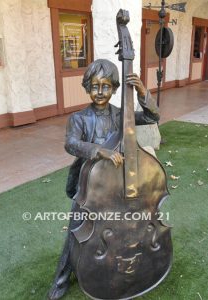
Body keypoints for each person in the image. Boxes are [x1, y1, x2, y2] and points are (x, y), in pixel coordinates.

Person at [48, 59, 159, 299]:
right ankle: (61, 279)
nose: (100, 92)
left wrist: (142, 91)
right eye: (95, 86)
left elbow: (152, 117)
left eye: (106, 86)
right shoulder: (79, 118)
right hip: (89, 186)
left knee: (120, 227)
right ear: (87, 87)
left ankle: (114, 267)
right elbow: (72, 143)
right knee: (76, 230)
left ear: (115, 88)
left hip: (118, 184)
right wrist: (100, 151)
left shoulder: (122, 115)